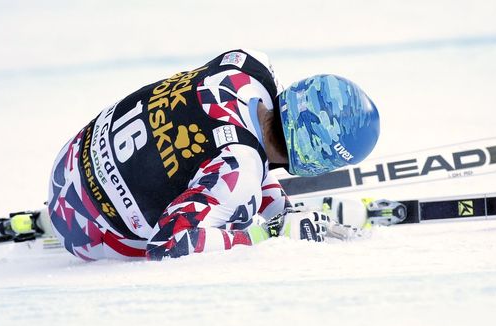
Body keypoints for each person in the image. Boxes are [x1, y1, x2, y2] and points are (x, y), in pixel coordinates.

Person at [47, 49, 380, 261]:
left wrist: (280, 210)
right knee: (240, 211)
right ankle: (274, 217)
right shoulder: (240, 170)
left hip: (71, 157)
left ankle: (282, 211)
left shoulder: (251, 65)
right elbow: (168, 245)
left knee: (232, 179)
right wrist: (269, 235)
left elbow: (229, 142)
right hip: (87, 234)